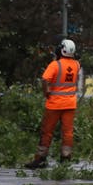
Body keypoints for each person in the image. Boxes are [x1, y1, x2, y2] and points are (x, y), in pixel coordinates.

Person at [24, 39, 81, 169]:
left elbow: (45, 79)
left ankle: (40, 159)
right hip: (70, 104)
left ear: (61, 50)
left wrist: (46, 92)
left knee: (47, 132)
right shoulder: (77, 65)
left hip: (54, 104)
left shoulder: (55, 65)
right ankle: (65, 158)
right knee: (67, 133)